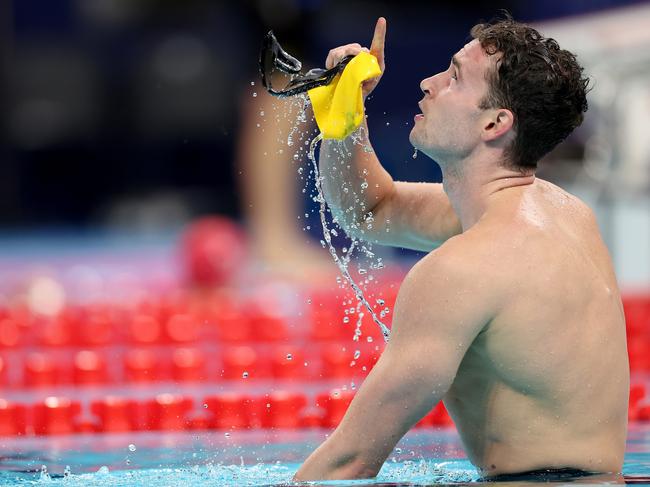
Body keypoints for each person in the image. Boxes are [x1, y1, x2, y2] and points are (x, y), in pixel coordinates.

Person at [293, 14, 629, 481]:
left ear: (494, 122)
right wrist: (343, 122)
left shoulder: (461, 271)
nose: (428, 83)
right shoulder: (564, 214)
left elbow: (349, 461)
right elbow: (372, 209)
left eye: (453, 77)